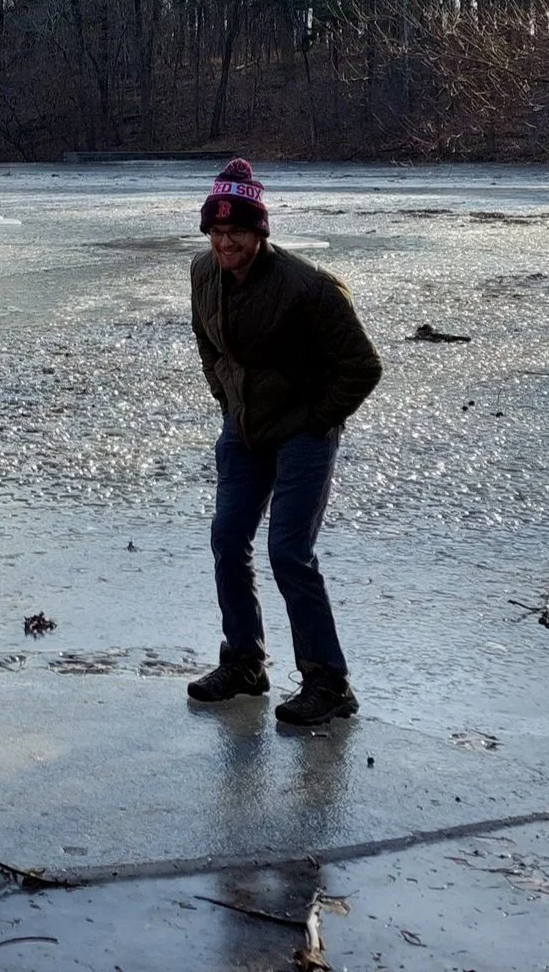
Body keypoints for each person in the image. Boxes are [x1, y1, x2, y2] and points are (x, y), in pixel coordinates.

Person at [183, 159, 383, 726]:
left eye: (236, 234)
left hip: (302, 433)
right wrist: (229, 403)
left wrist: (316, 419)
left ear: (259, 233)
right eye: (217, 234)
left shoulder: (309, 287)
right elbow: (208, 343)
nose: (225, 244)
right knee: (227, 538)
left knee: (289, 553)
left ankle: (328, 681)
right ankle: (244, 663)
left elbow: (362, 366)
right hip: (244, 430)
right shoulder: (202, 273)